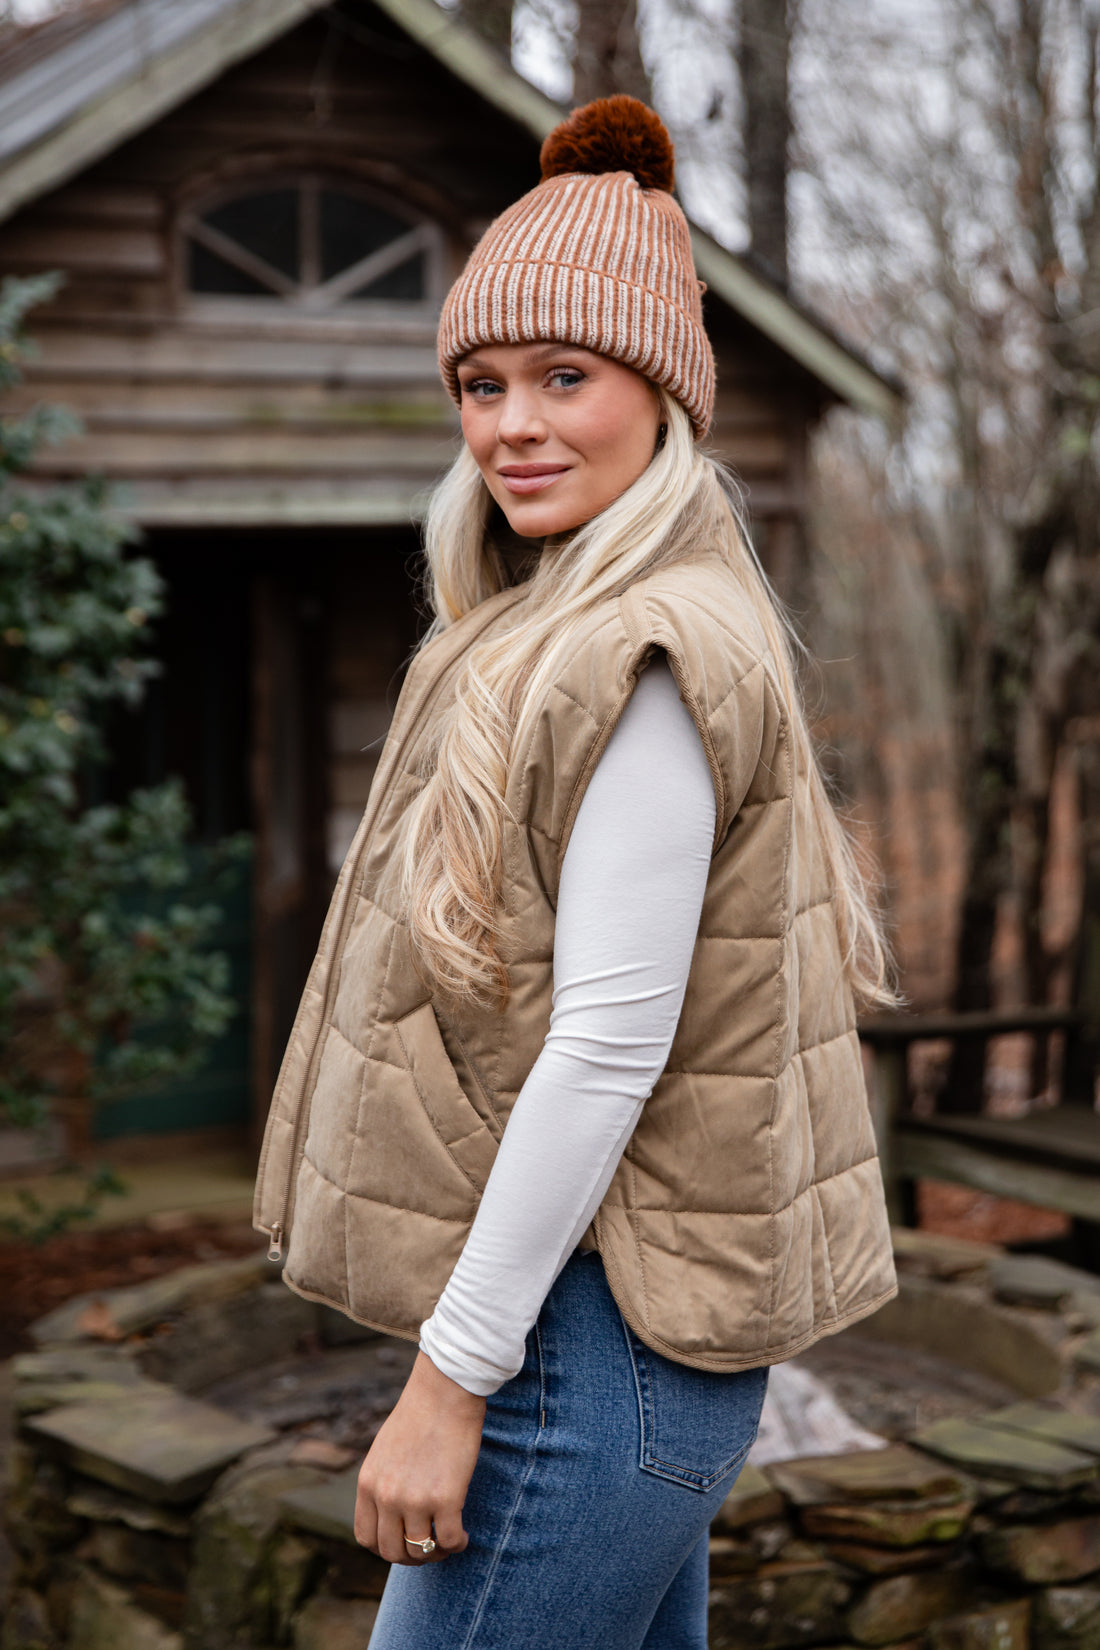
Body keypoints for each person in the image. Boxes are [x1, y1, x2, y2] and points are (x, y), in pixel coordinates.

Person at [253, 95, 899, 1650]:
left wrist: (446, 1379)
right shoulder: (545, 625)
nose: (512, 426)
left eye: (565, 376)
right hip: (604, 1342)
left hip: (585, 1361)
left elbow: (608, 1047)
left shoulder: (646, 654)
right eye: (481, 384)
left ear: (662, 394)